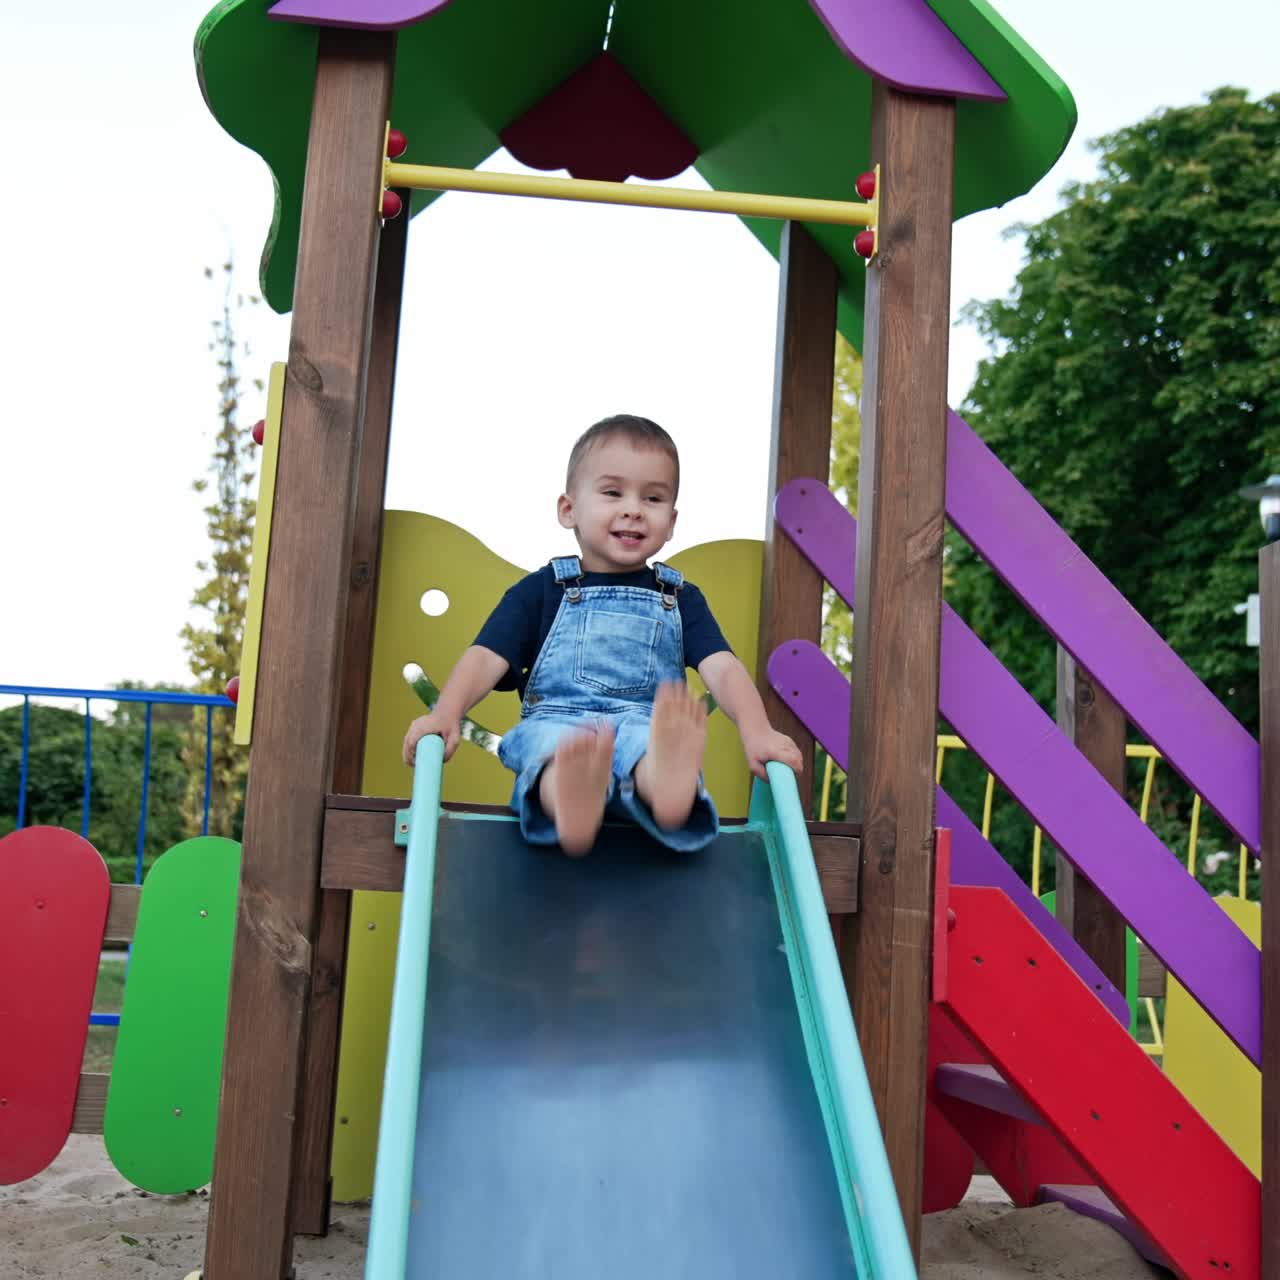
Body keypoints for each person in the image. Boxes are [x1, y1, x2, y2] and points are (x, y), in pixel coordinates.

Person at [402, 414, 802, 855]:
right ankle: (572, 798)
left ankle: (667, 787)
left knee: (652, 747)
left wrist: (757, 730)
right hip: (560, 723)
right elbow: (485, 657)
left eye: (652, 498)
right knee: (549, 748)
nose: (632, 508)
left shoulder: (680, 597)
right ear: (569, 508)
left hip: (644, 724)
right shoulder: (540, 591)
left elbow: (724, 670)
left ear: (670, 522)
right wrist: (447, 712)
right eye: (613, 492)